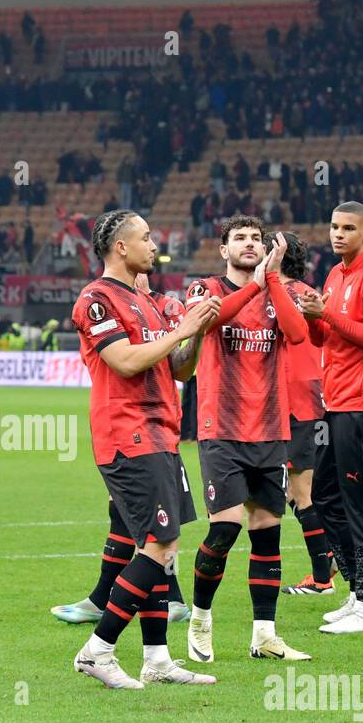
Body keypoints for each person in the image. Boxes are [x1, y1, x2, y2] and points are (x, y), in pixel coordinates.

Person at [68, 210, 216, 689]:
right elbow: (125, 361)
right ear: (120, 248)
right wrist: (181, 330)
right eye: (146, 237)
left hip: (161, 433)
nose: (155, 245)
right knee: (160, 544)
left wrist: (196, 334)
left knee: (157, 548)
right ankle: (99, 649)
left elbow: (180, 370)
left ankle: (156, 659)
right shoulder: (96, 299)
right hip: (126, 434)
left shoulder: (150, 301)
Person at [183, 219, 311, 664]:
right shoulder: (205, 289)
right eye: (240, 238)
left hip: (271, 430)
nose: (250, 244)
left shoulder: (280, 290)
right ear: (223, 251)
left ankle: (264, 635)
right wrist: (256, 286)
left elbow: (297, 334)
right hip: (221, 428)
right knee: (225, 528)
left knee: (267, 535)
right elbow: (214, 319)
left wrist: (271, 280)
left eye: (257, 238)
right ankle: (200, 618)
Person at [298, 201, 363, 634]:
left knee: (360, 504)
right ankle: (359, 588)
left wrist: (329, 316)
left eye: (348, 228)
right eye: (335, 227)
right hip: (336, 402)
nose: (338, 234)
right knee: (323, 496)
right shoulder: (337, 274)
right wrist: (313, 318)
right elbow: (326, 335)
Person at [274, 231, 336, 596]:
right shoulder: (309, 294)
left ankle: (323, 573)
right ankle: (327, 558)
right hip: (309, 398)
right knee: (293, 491)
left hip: (293, 401)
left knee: (301, 493)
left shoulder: (276, 295)